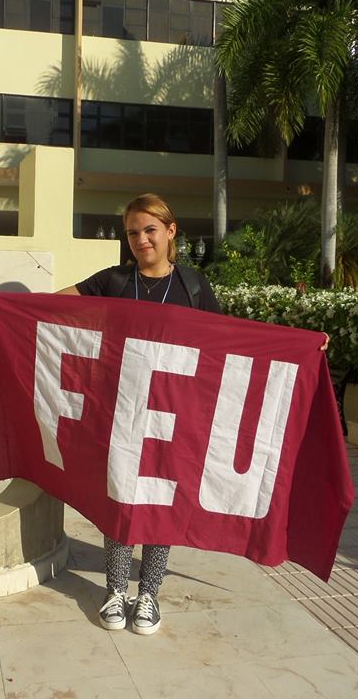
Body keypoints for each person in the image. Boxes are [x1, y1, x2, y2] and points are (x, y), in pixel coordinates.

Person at [56, 193, 220, 635]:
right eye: (133, 232)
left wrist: (302, 345)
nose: (141, 239)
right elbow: (51, 306)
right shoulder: (112, 280)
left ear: (171, 232)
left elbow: (229, 342)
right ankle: (115, 590)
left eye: (150, 230)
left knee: (160, 501)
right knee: (120, 497)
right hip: (121, 412)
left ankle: (148, 593)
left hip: (173, 416)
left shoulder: (195, 286)